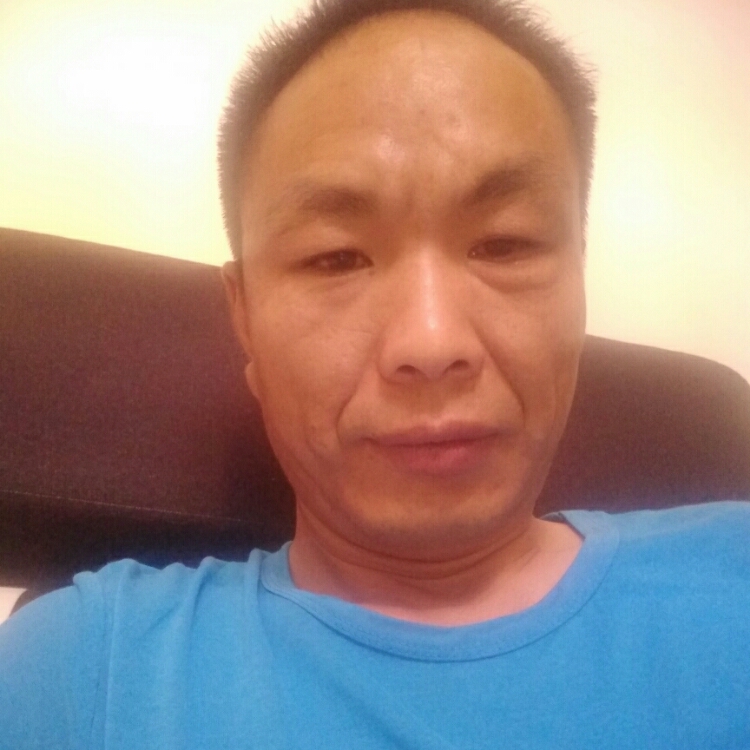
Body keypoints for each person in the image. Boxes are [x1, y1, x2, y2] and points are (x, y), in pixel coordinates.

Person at [1, 0, 748, 747]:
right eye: (337, 257)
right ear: (244, 317)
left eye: (504, 244)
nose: (431, 341)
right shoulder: (82, 672)